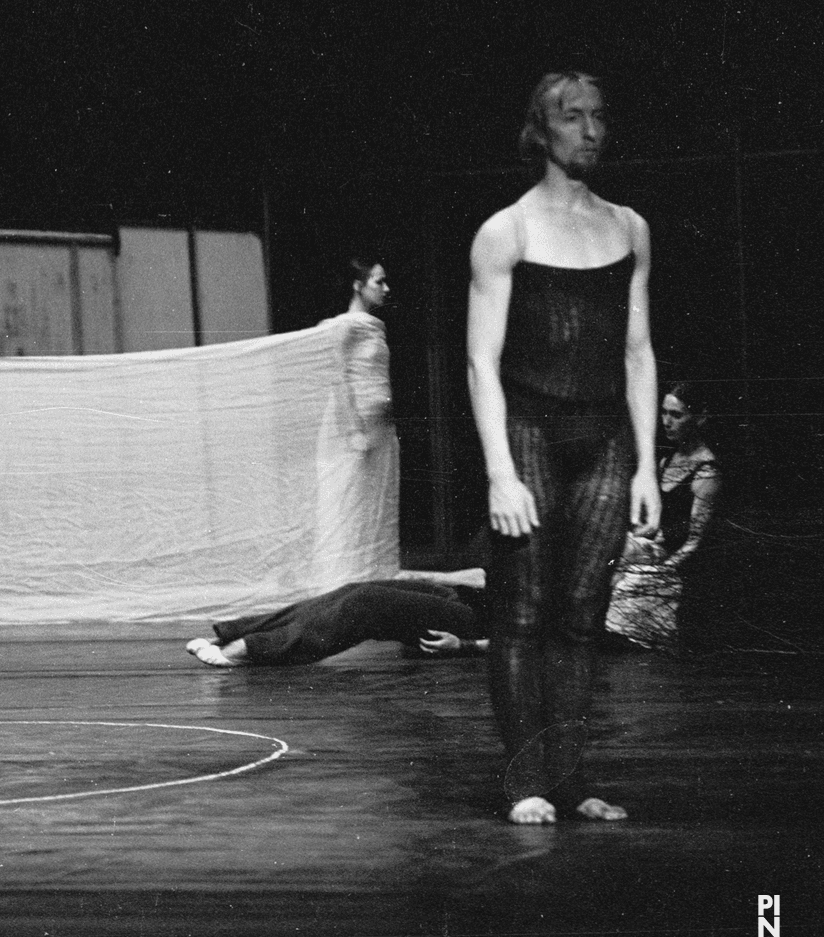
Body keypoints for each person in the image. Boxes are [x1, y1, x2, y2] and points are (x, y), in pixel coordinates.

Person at [465, 72, 660, 825]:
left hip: (604, 436)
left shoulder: (630, 227)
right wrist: (499, 473)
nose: (590, 130)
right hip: (528, 431)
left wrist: (647, 464)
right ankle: (526, 783)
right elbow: (481, 361)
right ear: (540, 130)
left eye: (598, 116)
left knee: (582, 616)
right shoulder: (506, 231)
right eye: (572, 117)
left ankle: (571, 781)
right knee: (521, 613)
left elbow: (638, 351)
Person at [606, 382, 721, 649]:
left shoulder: (707, 472)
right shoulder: (665, 462)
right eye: (664, 413)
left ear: (699, 418)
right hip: (650, 548)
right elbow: (652, 522)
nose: (667, 422)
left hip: (671, 557)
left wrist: (662, 570)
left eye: (676, 415)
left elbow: (695, 540)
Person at [185, 570, 487, 667]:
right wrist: (422, 576)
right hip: (464, 598)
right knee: (353, 590)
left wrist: (467, 646)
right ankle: (231, 634)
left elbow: (519, 640)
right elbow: (485, 575)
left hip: (476, 624)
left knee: (366, 601)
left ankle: (249, 648)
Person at [310, 257, 400, 583]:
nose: (385, 288)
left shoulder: (375, 326)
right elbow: (337, 377)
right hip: (355, 428)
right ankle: (340, 580)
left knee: (373, 507)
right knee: (348, 503)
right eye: (378, 281)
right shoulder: (345, 326)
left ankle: (369, 579)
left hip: (379, 427)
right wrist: (353, 430)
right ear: (358, 285)